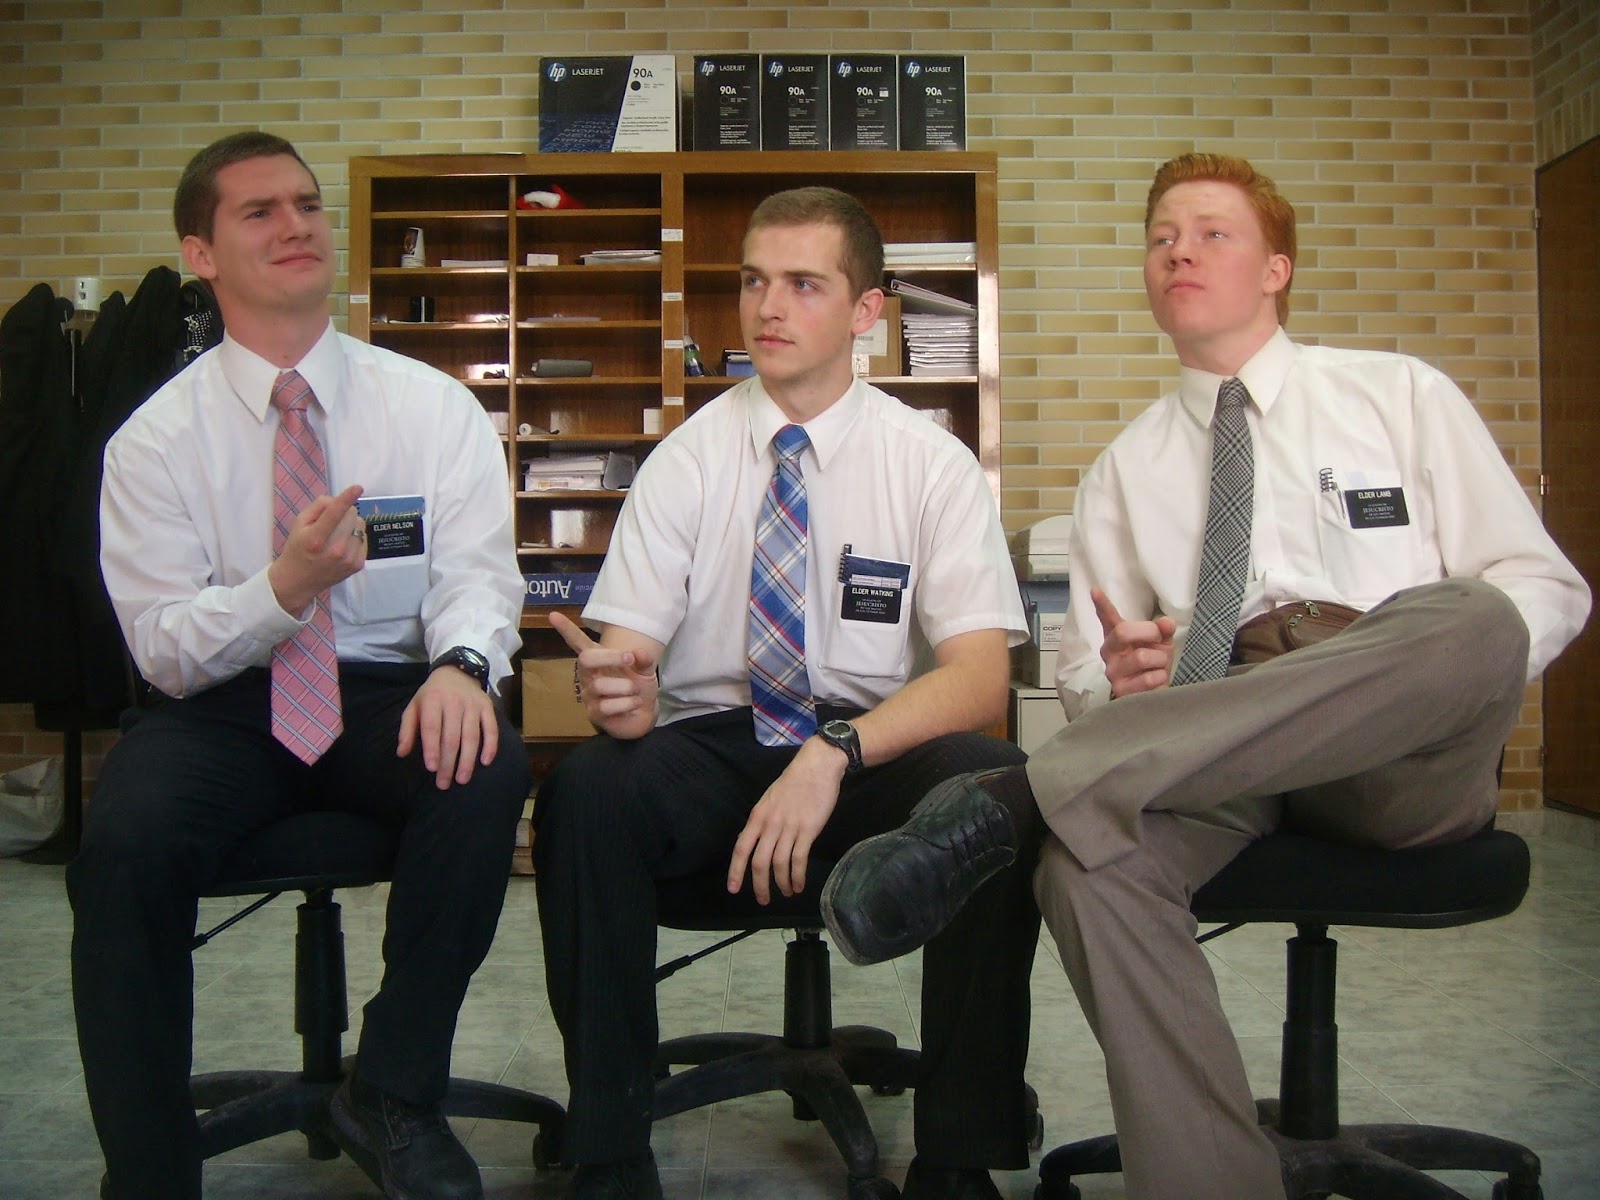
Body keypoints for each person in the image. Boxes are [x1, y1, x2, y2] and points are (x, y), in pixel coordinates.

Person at [821, 152, 1591, 1200]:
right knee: (1087, 865)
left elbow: (1544, 589)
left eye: (1211, 234)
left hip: (1396, 743)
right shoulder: (1122, 471)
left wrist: (1402, 669)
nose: (1177, 251)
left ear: (1276, 269)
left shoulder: (1397, 395)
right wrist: (1128, 682)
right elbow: (1084, 680)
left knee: (1476, 616)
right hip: (1216, 744)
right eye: (1160, 238)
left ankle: (1018, 799)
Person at [534, 186, 1040, 1200]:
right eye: (754, 281)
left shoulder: (928, 464)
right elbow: (628, 655)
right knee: (588, 789)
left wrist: (835, 752)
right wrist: (619, 693)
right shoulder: (686, 460)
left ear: (866, 312)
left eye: (804, 284)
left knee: (998, 786)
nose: (768, 307)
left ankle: (959, 1154)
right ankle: (609, 1145)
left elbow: (980, 677)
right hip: (716, 747)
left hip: (866, 752)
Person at [68, 131, 530, 1200]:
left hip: (385, 690)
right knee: (124, 843)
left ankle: (395, 1090)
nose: (296, 226)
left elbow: (478, 573)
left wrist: (464, 665)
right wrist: (282, 588)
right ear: (200, 255)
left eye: (308, 205)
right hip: (220, 708)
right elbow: (162, 645)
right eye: (260, 211)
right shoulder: (153, 442)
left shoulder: (431, 406)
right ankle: (147, 1167)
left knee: (483, 765)